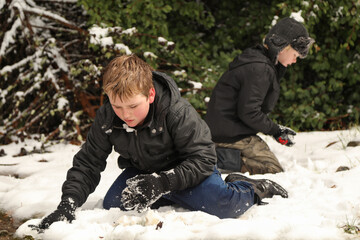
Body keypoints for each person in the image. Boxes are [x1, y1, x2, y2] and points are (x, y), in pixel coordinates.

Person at [30, 54, 288, 231]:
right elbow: (88, 162)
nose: (125, 114)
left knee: (225, 207)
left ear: (150, 94)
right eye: (117, 105)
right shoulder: (109, 116)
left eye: (133, 106)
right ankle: (175, 196)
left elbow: (204, 159)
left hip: (190, 169)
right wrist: (68, 204)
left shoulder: (177, 112)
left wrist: (162, 183)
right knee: (114, 205)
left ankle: (253, 188)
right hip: (146, 170)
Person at [205, 17, 315, 175]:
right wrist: (275, 130)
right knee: (272, 171)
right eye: (295, 54)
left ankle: (218, 157)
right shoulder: (260, 69)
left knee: (271, 168)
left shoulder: (259, 61)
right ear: (282, 46)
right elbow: (249, 112)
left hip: (227, 132)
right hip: (229, 137)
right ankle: (217, 160)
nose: (294, 60)